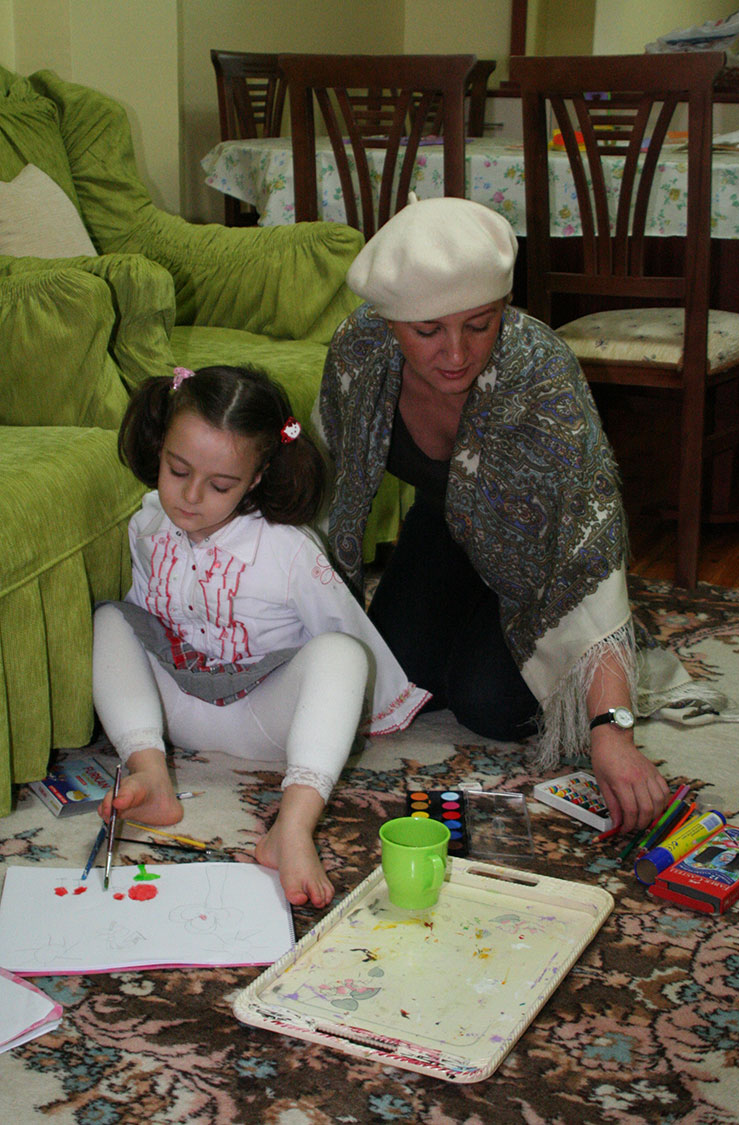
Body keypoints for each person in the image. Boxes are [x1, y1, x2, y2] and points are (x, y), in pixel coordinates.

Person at [313, 194, 672, 836]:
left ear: (503, 307)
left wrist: (610, 729)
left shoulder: (540, 374)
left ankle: (615, 648)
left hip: (538, 559)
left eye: (479, 324)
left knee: (491, 704)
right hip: (444, 526)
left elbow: (590, 542)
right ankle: (474, 621)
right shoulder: (356, 357)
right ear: (389, 321)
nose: (456, 352)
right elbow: (320, 490)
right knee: (396, 680)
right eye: (428, 331)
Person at [93, 364, 429, 908]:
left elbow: (345, 633)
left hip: (263, 722)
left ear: (254, 478)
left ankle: (292, 826)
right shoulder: (148, 525)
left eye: (220, 484)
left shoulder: (288, 549)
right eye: (177, 470)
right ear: (158, 450)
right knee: (110, 620)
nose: (191, 496)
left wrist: (383, 707)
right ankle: (150, 773)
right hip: (174, 711)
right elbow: (144, 624)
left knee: (342, 654)